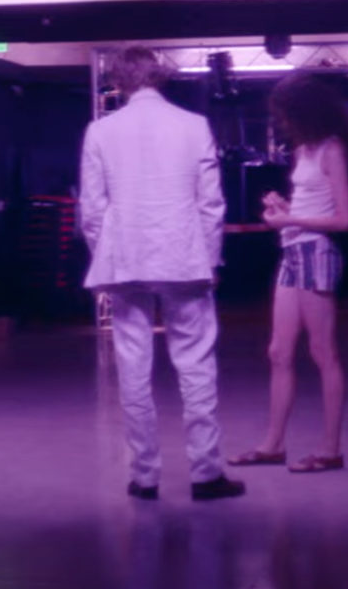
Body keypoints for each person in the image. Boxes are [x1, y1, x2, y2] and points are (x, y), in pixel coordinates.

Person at [79, 47, 245, 502]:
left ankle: (145, 476)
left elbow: (92, 208)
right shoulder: (194, 125)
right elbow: (210, 204)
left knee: (132, 365)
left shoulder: (101, 131)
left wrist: (105, 254)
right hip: (183, 257)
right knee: (196, 365)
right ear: (161, 76)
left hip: (125, 258)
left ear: (118, 81)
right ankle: (206, 473)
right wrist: (210, 259)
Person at [230, 72, 348, 474]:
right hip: (292, 251)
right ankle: (273, 445)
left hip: (315, 251)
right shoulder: (304, 150)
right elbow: (311, 207)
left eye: (286, 114)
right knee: (279, 351)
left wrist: (289, 219)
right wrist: (284, 210)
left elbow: (343, 219)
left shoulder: (331, 150)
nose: (282, 122)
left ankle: (331, 449)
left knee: (323, 352)